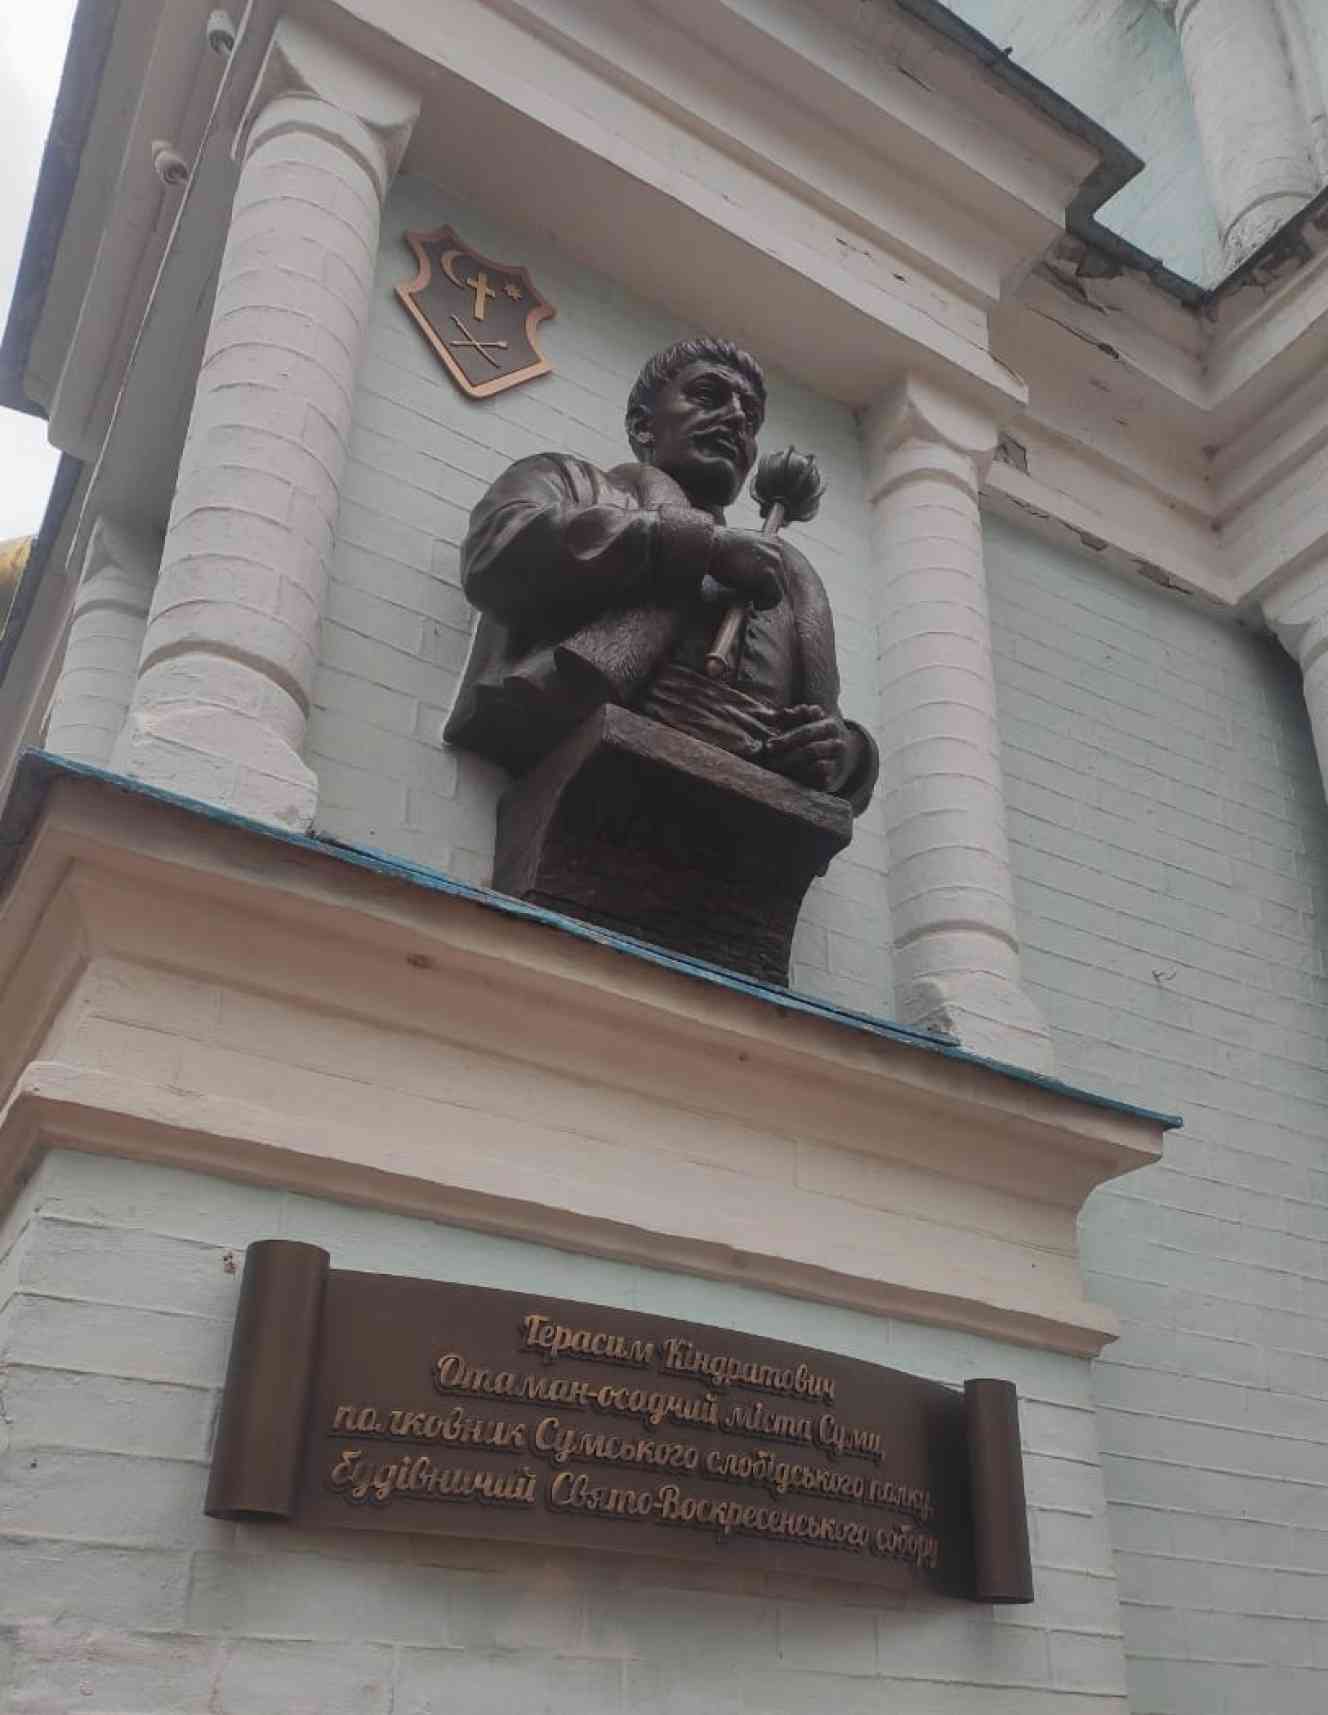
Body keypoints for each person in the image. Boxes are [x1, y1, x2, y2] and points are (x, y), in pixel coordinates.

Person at [444, 337, 877, 813]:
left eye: (751, 418)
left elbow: (829, 729)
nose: (737, 418)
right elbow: (496, 553)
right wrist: (697, 546)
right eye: (709, 396)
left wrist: (843, 757)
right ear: (642, 425)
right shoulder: (571, 484)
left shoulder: (785, 576)